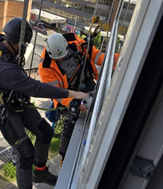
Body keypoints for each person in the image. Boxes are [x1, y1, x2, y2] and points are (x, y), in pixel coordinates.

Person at [0, 18, 88, 189]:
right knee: (25, 153)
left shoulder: (1, 46)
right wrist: (73, 95)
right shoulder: (1, 66)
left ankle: (40, 172)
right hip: (3, 110)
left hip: (13, 99)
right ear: (15, 42)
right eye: (23, 45)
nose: (23, 49)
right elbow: (37, 89)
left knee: (45, 132)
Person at [39, 33, 119, 167]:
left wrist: (117, 60)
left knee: (97, 104)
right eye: (58, 59)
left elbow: (96, 55)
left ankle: (102, 137)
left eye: (63, 57)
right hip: (66, 92)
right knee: (70, 122)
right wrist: (72, 102)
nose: (61, 60)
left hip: (84, 80)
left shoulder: (76, 43)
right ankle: (64, 156)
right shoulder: (46, 66)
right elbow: (55, 92)